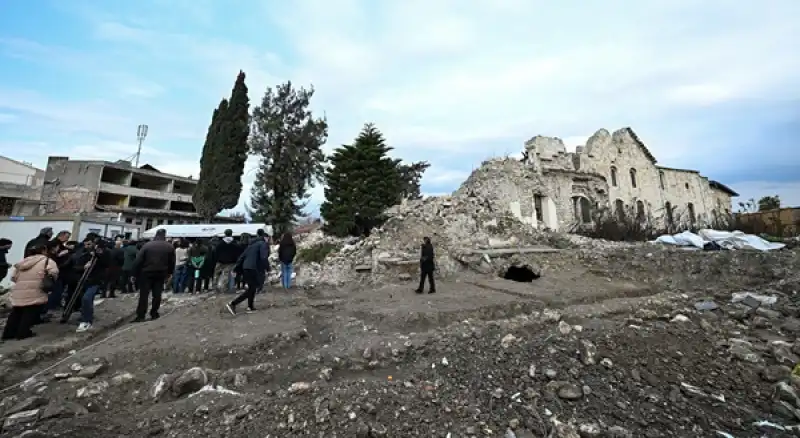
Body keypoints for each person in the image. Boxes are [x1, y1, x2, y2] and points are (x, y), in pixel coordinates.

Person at [2, 240, 59, 341]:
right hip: (36, 289)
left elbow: (13, 277)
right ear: (43, 251)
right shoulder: (47, 261)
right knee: (30, 312)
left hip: (19, 290)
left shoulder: (23, 261)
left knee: (16, 311)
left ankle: (8, 333)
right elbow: (53, 273)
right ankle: (23, 333)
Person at [131, 229, 175, 322]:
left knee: (144, 295)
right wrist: (169, 273)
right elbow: (172, 262)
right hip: (161, 273)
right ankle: (154, 313)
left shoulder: (147, 245)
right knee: (157, 294)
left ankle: (141, 316)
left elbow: (138, 261)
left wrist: (134, 274)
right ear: (165, 235)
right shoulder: (169, 246)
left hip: (146, 273)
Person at [226, 229, 269, 315]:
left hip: (246, 268)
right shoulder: (263, 244)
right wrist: (267, 268)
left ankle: (250, 306)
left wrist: (235, 269)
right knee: (252, 288)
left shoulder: (251, 245)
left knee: (251, 288)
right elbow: (263, 257)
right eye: (268, 238)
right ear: (265, 237)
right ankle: (233, 303)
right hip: (254, 268)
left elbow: (242, 257)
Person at [73, 238, 110, 332]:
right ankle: (86, 316)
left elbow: (107, 264)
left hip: (95, 281)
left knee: (87, 298)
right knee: (84, 301)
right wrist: (83, 267)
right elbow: (76, 268)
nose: (87, 246)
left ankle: (86, 321)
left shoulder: (102, 254)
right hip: (83, 281)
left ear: (94, 244)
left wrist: (97, 255)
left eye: (89, 244)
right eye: (86, 244)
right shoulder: (83, 255)